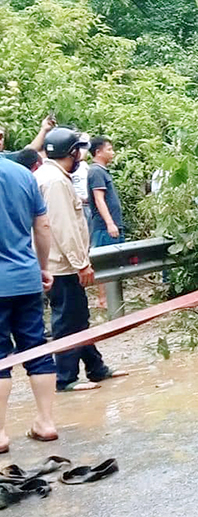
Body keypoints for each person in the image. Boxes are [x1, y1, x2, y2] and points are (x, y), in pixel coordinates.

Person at [35, 128, 125, 392]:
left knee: (78, 317)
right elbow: (62, 226)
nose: (81, 156)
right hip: (62, 265)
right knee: (66, 320)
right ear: (71, 152)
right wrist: (81, 263)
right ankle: (65, 378)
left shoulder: (50, 175)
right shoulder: (56, 182)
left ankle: (95, 368)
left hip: (62, 262)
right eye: (79, 150)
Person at [0, 152, 58, 446]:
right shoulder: (24, 174)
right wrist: (43, 267)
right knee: (36, 348)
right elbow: (43, 226)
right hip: (25, 278)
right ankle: (46, 423)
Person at [86, 136, 124, 248]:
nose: (112, 153)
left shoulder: (102, 171)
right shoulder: (96, 171)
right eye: (109, 149)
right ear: (98, 152)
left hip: (112, 226)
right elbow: (99, 199)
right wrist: (110, 224)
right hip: (104, 228)